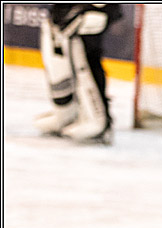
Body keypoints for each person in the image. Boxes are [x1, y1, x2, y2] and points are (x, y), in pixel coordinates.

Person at [34, 4, 123, 144]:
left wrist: (99, 8)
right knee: (60, 59)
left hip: (92, 9)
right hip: (70, 9)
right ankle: (66, 113)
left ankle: (98, 121)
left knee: (84, 59)